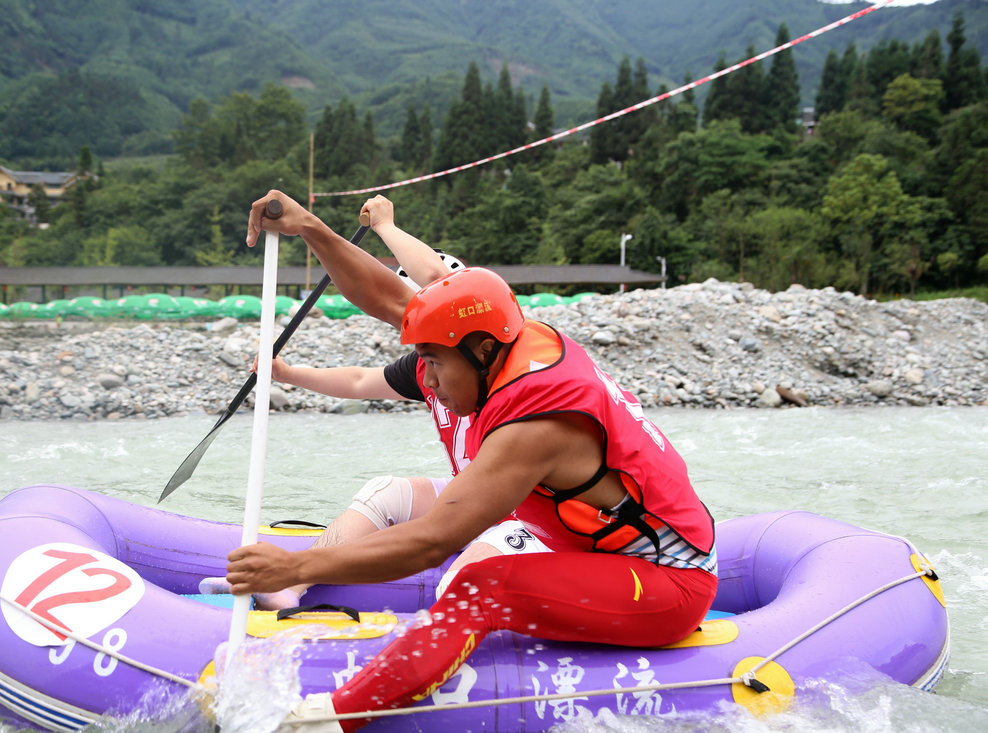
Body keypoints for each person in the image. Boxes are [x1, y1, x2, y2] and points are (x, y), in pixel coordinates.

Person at [228, 193, 718, 732]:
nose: (427, 380)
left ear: (482, 352)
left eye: (434, 363)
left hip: (668, 581)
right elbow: (386, 296)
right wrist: (311, 227)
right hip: (589, 542)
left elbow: (433, 541)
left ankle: (324, 722)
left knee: (483, 584)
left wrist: (296, 566)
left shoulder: (538, 421)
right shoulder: (501, 337)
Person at [208, 194, 547, 610]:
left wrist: (385, 225)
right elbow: (358, 381)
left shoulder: (503, 361)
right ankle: (288, 588)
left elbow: (434, 277)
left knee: (462, 579)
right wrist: (288, 374)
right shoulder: (428, 369)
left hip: (534, 510)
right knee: (385, 490)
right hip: (477, 496)